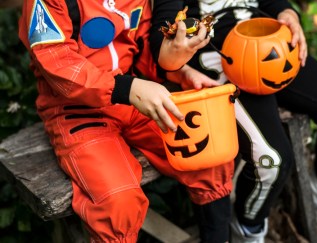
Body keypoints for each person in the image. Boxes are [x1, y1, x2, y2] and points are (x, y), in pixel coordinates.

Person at [18, 0, 234, 242]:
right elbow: (58, 63)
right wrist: (125, 88)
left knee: (206, 155)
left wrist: (180, 71)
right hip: (74, 111)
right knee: (118, 201)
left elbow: (142, 47)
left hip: (133, 99)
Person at [149, 0, 317, 241]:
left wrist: (287, 13)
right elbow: (161, 38)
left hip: (268, 42)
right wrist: (176, 64)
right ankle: (248, 228)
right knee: (271, 159)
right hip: (216, 58)